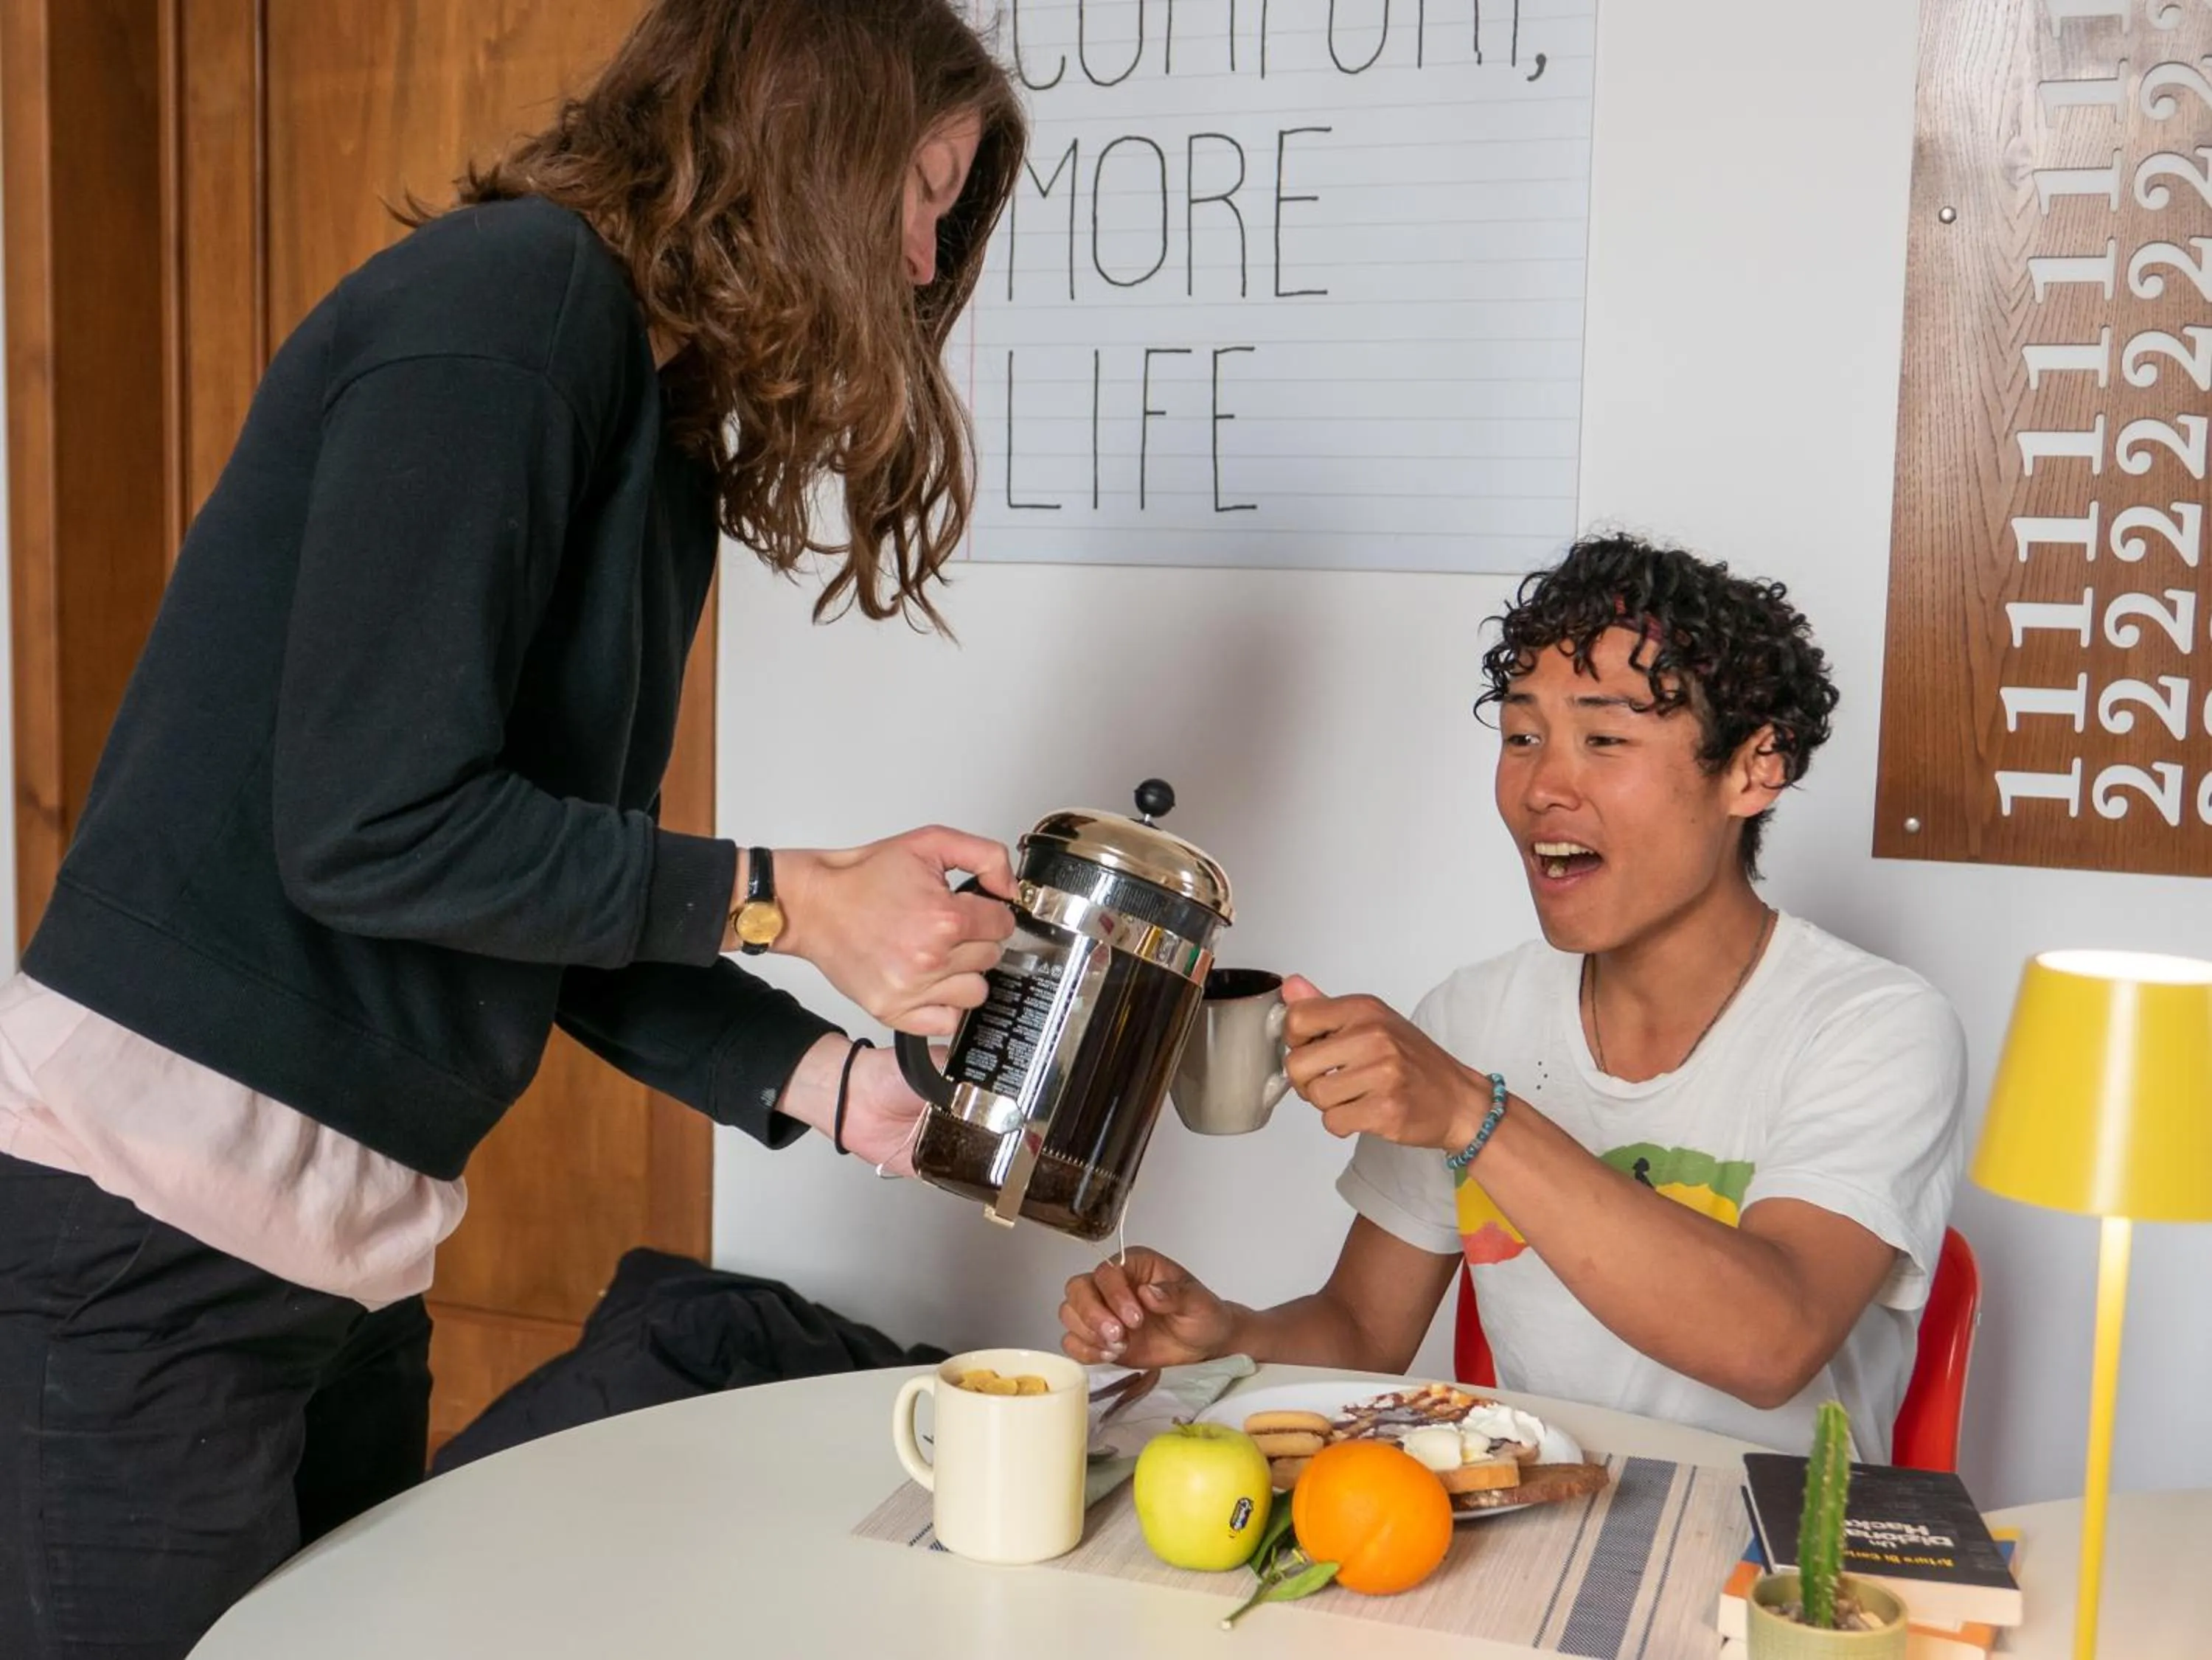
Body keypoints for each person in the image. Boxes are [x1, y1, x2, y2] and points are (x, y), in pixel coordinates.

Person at [0, 3, 1026, 1653]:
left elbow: (528, 887)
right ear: (796, 138)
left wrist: (841, 1090)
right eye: (916, 192)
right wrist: (791, 896)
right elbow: (372, 827)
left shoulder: (651, 427)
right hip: (140, 1244)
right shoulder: (514, 302)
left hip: (343, 1270)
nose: (921, 264)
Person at [1060, 535, 1966, 1458]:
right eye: (1523, 736)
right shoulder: (1475, 1014)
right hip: (1547, 1526)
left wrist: (1469, 1111)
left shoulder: (1877, 1025)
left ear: (1753, 767)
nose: (1543, 787)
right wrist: (1226, 1335)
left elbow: (1773, 1340)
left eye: (1605, 739)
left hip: (1782, 1569)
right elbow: (1362, 1333)